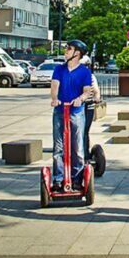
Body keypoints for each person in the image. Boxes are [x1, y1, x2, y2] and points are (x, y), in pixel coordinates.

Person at [50, 39, 93, 191]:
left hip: (76, 112)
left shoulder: (84, 72)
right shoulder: (59, 69)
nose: (66, 51)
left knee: (77, 147)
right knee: (58, 147)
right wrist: (55, 99)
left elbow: (87, 91)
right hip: (60, 111)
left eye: (69, 48)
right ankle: (58, 179)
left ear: (77, 53)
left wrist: (80, 99)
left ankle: (76, 179)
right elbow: (55, 86)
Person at [83, 71, 101, 162]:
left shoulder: (90, 77)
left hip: (88, 107)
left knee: (84, 130)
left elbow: (96, 91)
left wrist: (97, 97)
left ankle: (85, 154)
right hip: (73, 108)